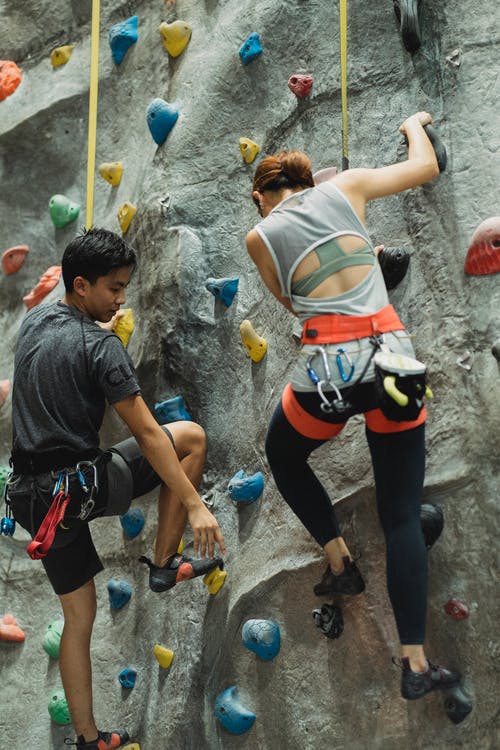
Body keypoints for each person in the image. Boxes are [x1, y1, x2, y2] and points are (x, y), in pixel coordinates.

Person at [246, 112, 460, 700]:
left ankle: (340, 563)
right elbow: (426, 166)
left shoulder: (259, 235)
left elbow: (292, 305)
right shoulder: (348, 188)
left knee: (284, 456)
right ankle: (415, 665)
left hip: (330, 374)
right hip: (392, 360)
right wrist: (414, 123)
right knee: (400, 515)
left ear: (261, 197)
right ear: (308, 181)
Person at [6, 228, 226, 750]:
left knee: (77, 617)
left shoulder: (34, 322)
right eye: (114, 288)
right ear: (81, 285)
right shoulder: (100, 345)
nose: (122, 299)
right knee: (190, 439)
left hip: (32, 500)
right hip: (78, 489)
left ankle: (88, 740)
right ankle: (164, 562)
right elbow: (150, 435)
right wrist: (195, 505)